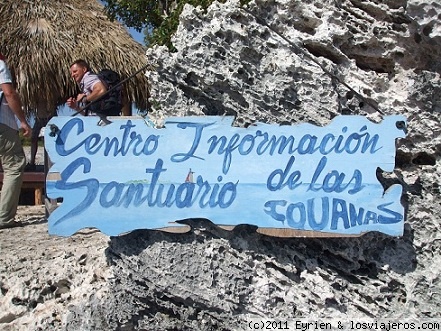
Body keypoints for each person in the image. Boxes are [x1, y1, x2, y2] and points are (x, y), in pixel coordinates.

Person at [0, 53, 32, 229]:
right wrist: (23, 121)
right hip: (2, 123)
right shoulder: (0, 65)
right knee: (14, 166)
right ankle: (4, 218)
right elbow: (9, 93)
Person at [26, 101, 55, 171]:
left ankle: (50, 163)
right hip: (39, 118)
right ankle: (32, 163)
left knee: (48, 141)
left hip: (49, 118)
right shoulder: (36, 96)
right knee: (33, 139)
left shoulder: (51, 95)